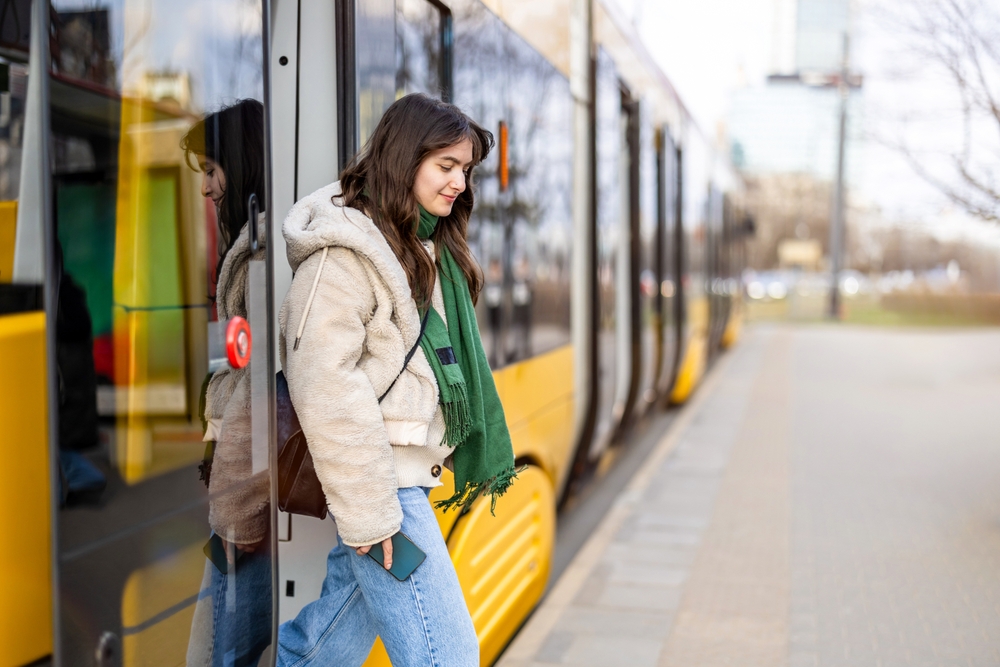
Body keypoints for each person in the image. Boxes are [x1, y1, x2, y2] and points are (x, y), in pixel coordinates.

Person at [276, 93, 519, 666]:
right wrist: (370, 512)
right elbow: (325, 388)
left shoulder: (423, 247)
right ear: (405, 158)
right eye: (446, 166)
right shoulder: (341, 256)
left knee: (325, 647)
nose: (460, 182)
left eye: (466, 169)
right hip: (383, 484)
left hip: (405, 476)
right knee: (448, 655)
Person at [181, 98, 273, 667]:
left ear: (237, 165)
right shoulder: (253, 242)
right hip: (246, 483)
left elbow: (258, 385)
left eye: (211, 171)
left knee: (214, 653)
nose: (206, 188)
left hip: (245, 494)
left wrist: (237, 515)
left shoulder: (258, 253)